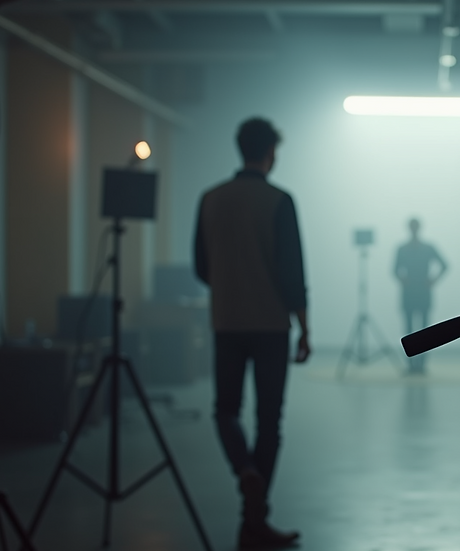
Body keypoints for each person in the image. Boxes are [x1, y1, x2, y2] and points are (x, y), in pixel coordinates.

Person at [194, 117, 310, 550]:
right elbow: (291, 270)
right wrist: (304, 325)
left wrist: (230, 283)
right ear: (270, 153)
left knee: (225, 410)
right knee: (268, 420)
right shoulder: (279, 200)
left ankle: (244, 473)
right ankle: (256, 516)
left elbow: (201, 267)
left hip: (226, 321)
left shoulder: (210, 199)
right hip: (271, 325)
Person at [394, 218, 447, 375]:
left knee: (425, 330)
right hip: (410, 292)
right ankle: (411, 364)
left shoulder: (426, 248)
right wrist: (402, 279)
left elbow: (444, 265)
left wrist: (433, 280)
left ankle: (421, 364)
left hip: (422, 292)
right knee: (409, 330)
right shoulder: (402, 249)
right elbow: (394, 270)